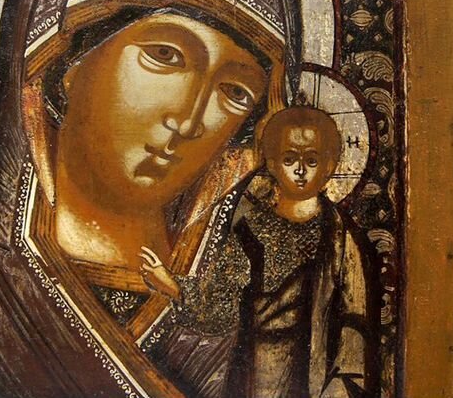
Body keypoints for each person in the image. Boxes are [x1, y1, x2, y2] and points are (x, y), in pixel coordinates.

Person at [0, 0, 307, 396]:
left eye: (235, 92)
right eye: (165, 55)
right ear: (65, 64)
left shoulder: (258, 313)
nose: (188, 119)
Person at [141, 106, 372, 397]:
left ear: (329, 166)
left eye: (311, 160)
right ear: (272, 164)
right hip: (255, 369)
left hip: (313, 372)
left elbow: (354, 320)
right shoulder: (251, 228)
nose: (300, 170)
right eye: (289, 159)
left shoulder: (339, 237)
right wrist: (173, 287)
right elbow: (222, 304)